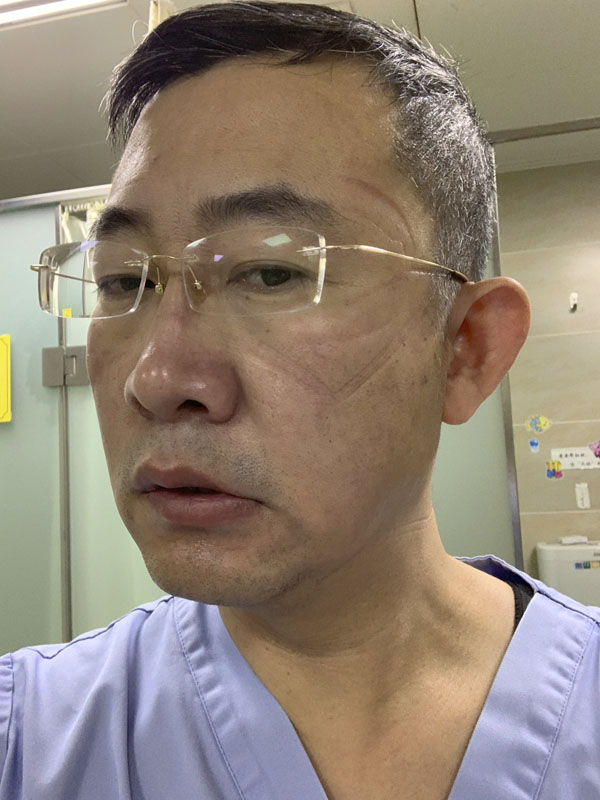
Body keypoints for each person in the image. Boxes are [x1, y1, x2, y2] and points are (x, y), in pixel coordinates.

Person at [2, 2, 598, 798]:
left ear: (466, 348)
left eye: (272, 272)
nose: (158, 378)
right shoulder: (30, 742)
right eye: (122, 280)